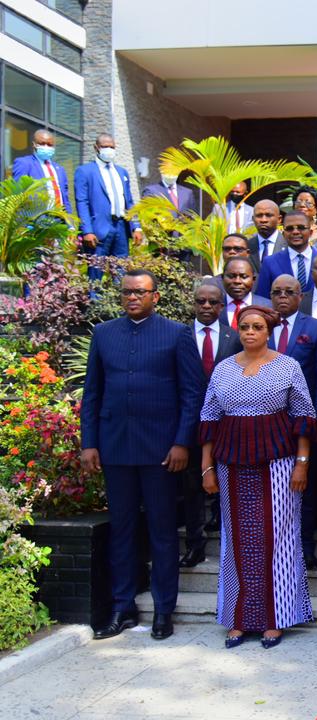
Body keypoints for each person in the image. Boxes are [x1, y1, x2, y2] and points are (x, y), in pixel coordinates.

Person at [81, 270, 203, 641]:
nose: (132, 297)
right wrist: (89, 443)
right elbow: (92, 393)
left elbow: (192, 394)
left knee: (162, 531)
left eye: (140, 292)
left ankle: (164, 610)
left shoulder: (177, 333)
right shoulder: (104, 334)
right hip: (115, 446)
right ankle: (123, 607)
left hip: (162, 451)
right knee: (121, 530)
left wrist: (182, 442)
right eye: (127, 292)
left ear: (155, 296)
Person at [199, 305, 317, 648]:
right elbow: (209, 419)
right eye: (244, 327)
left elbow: (304, 417)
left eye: (257, 327)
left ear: (269, 332)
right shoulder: (223, 369)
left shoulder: (288, 366)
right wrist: (207, 468)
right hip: (231, 465)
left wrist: (302, 463)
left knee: (279, 538)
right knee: (235, 538)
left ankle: (275, 618)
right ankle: (238, 617)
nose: (250, 332)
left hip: (278, 464)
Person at [269, 275, 317, 571]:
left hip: (301, 424)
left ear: (300, 296)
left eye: (289, 292)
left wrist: (316, 420)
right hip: (266, 424)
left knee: (303, 489)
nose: (282, 297)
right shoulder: (260, 325)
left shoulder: (316, 328)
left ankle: (305, 548)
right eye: (276, 292)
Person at [181, 284, 242, 570]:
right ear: (193, 304)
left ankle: (232, 544)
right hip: (190, 423)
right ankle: (195, 544)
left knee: (229, 483)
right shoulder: (180, 336)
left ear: (221, 306)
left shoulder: (235, 337)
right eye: (201, 301)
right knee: (192, 486)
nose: (206, 306)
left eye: (213, 302)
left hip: (229, 423)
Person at [75, 134, 141, 274]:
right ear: (96, 148)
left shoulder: (122, 172)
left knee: (121, 272)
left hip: (121, 227)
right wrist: (87, 231)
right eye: (105, 146)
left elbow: (129, 201)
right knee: (96, 273)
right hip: (98, 229)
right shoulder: (85, 171)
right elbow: (82, 202)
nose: (109, 150)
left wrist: (136, 226)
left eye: (112, 147)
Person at [256, 211, 316, 296]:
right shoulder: (270, 262)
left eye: (301, 227)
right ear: (283, 234)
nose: (295, 232)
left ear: (310, 232)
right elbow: (262, 298)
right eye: (289, 228)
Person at [12, 128, 72, 212]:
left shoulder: (60, 169)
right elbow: (17, 194)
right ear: (34, 144)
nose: (46, 147)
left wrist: (69, 218)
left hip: (60, 217)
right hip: (37, 217)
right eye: (42, 143)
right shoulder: (24, 163)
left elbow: (65, 197)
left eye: (50, 145)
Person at [220, 257, 270, 329]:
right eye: (231, 276)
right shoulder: (214, 306)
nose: (237, 281)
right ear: (222, 278)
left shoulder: (268, 307)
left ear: (253, 279)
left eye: (244, 277)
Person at [249, 200, 285, 266]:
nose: (263, 220)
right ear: (253, 219)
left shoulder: (289, 245)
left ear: (279, 219)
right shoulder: (247, 246)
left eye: (268, 215)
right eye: (259, 215)